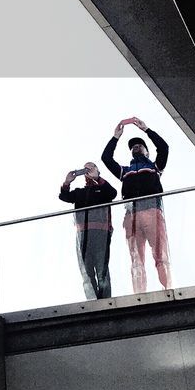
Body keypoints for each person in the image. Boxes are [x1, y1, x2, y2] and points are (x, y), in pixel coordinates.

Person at [101, 116, 172, 293]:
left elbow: (163, 147)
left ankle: (168, 291)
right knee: (136, 259)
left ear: (147, 151)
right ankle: (140, 296)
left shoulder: (155, 167)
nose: (135, 147)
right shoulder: (124, 171)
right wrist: (116, 137)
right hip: (131, 216)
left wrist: (146, 130)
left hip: (152, 211)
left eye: (139, 145)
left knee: (160, 255)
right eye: (133, 146)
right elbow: (106, 158)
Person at [59, 162, 117, 300]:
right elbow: (64, 197)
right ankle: (93, 300)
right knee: (86, 270)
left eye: (91, 167)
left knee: (102, 269)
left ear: (97, 171)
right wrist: (67, 182)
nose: (88, 170)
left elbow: (112, 193)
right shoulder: (80, 192)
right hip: (83, 234)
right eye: (85, 168)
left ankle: (106, 300)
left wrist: (97, 178)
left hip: (101, 233)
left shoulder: (103, 189)